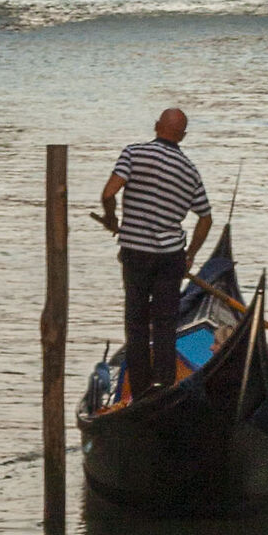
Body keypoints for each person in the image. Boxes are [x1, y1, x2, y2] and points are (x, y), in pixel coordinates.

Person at [96, 108, 215, 400]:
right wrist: (191, 254)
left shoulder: (133, 154)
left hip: (136, 251)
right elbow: (206, 218)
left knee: (136, 323)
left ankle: (140, 391)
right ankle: (164, 386)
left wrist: (111, 219)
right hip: (170, 256)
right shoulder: (189, 170)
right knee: (165, 325)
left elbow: (109, 193)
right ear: (183, 136)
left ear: (156, 126)